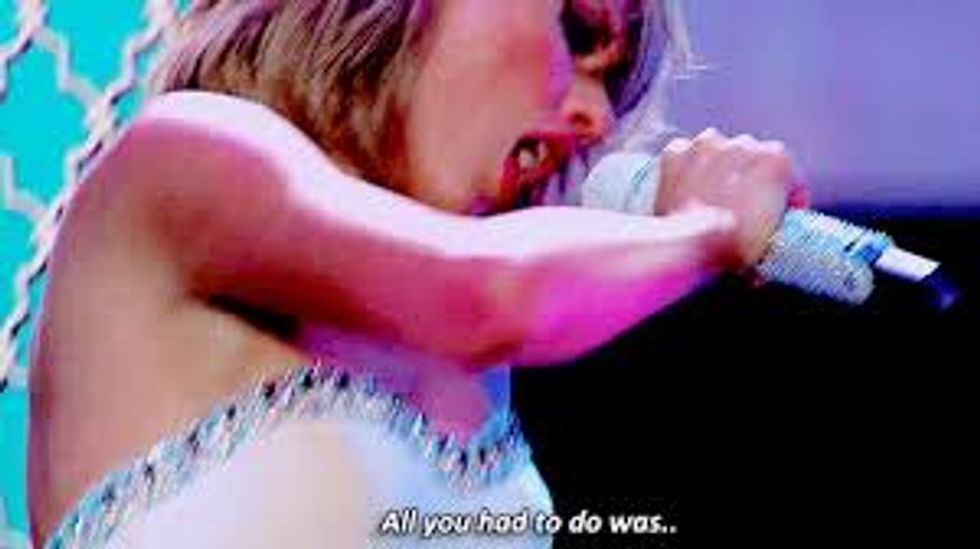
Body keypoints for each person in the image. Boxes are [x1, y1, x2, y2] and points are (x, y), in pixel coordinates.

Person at [28, 0, 805, 546]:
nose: (596, 119)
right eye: (575, 32)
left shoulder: (476, 347)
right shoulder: (187, 154)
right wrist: (707, 230)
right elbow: (487, 298)